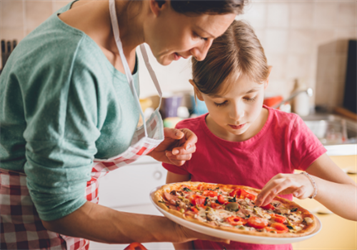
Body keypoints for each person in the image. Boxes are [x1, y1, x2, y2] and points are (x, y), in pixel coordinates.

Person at [0, 0, 247, 249]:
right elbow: (60, 211)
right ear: (158, 3)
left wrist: (147, 145)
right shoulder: (74, 64)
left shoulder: (119, 25)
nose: (202, 53)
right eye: (199, 35)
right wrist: (179, 228)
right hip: (28, 229)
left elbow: (75, 128)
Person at [163, 20, 357, 250]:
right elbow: (172, 209)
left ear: (266, 79)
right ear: (198, 91)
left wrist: (312, 183)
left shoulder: (288, 130)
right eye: (221, 102)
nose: (237, 115)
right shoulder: (189, 138)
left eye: (249, 97)